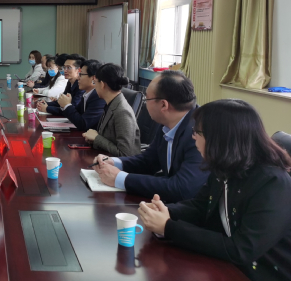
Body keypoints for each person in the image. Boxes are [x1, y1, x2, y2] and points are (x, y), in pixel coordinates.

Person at [139, 99, 291, 281]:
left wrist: (168, 227)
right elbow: (200, 207)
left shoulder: (273, 183)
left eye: (198, 132)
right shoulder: (227, 167)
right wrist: (165, 211)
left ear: (221, 139)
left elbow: (242, 249)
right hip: (225, 264)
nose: (193, 136)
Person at [92, 70, 207, 203]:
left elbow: (182, 188)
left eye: (147, 99)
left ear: (163, 105)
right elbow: (148, 161)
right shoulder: (168, 123)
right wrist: (114, 162)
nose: (145, 104)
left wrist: (120, 178)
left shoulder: (200, 134)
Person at [82, 63, 140, 157]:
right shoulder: (111, 103)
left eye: (95, 83)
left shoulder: (122, 112)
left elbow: (125, 153)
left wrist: (97, 138)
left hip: (118, 164)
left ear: (102, 84)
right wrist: (94, 140)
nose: (94, 86)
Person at [56, 59, 106, 131]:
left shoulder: (98, 97)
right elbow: (77, 114)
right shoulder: (87, 94)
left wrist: (67, 105)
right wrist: (64, 105)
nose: (78, 78)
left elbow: (83, 124)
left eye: (81, 74)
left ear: (93, 78)